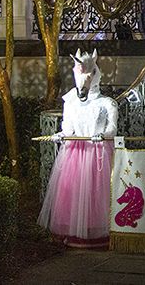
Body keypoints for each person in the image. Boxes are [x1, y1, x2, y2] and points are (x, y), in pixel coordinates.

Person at [39, 49, 118, 247]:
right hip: (76, 154)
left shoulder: (108, 103)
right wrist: (61, 135)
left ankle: (98, 232)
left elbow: (112, 130)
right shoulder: (72, 103)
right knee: (75, 194)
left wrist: (102, 136)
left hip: (98, 154)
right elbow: (69, 129)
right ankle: (74, 232)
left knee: (97, 193)